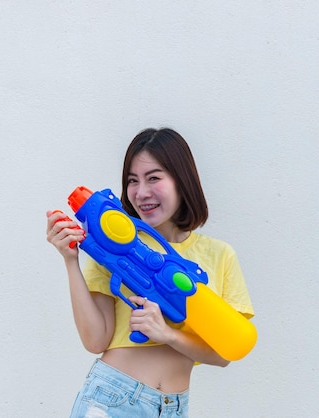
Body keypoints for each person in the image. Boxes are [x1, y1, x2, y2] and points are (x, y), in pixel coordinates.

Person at [46, 128, 254, 417]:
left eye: (153, 178)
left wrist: (167, 334)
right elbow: (95, 341)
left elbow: (224, 355)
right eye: (132, 181)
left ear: (182, 181)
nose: (141, 192)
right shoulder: (112, 248)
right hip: (113, 399)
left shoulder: (219, 256)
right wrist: (70, 260)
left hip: (174, 407)